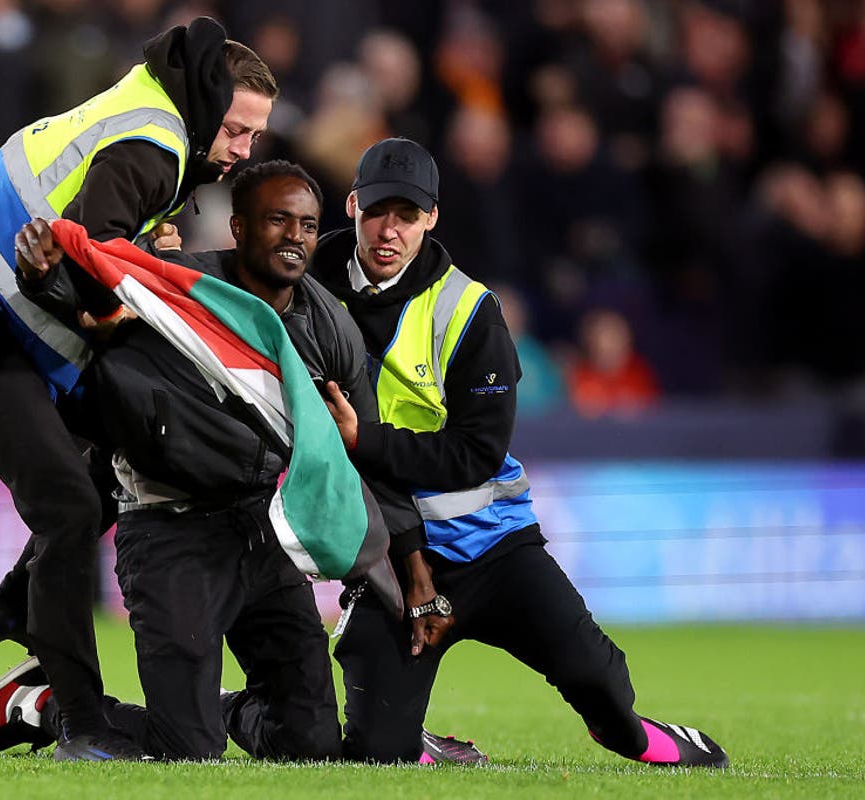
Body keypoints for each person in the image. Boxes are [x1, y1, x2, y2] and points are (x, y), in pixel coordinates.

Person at [0, 161, 433, 761]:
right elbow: (86, 305)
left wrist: (416, 574)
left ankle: (205, 712)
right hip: (171, 531)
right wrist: (41, 280)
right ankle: (41, 704)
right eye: (277, 220)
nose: (295, 236)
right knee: (188, 756)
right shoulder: (172, 291)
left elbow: (362, 457)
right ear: (238, 228)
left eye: (307, 224)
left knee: (312, 745)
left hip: (262, 531)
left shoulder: (332, 330)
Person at [0, 17, 277, 762]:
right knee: (71, 504)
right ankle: (79, 722)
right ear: (205, 105)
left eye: (256, 135)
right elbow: (80, 254)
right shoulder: (155, 147)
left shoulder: (152, 111)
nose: (244, 149)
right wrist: (130, 272)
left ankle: (19, 598)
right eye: (236, 130)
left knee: (131, 444)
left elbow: (89, 240)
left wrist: (138, 250)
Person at [310, 137, 729, 768]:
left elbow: (476, 456)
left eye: (406, 213)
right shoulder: (307, 284)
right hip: (395, 558)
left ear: (432, 217)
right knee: (376, 753)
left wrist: (363, 440)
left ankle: (641, 735)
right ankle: (419, 744)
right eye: (376, 211)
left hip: (493, 549)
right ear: (351, 205)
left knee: (603, 689)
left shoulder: (470, 311)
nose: (388, 229)